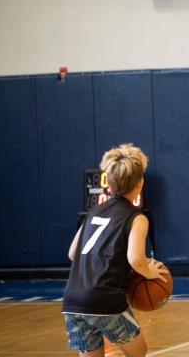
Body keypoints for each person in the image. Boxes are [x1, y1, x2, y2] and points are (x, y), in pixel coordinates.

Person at [61, 144, 169, 357]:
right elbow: (136, 259)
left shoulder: (93, 211)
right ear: (140, 184)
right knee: (139, 352)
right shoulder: (137, 218)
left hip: (72, 301)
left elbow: (73, 254)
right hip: (105, 300)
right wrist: (151, 272)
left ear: (108, 184)